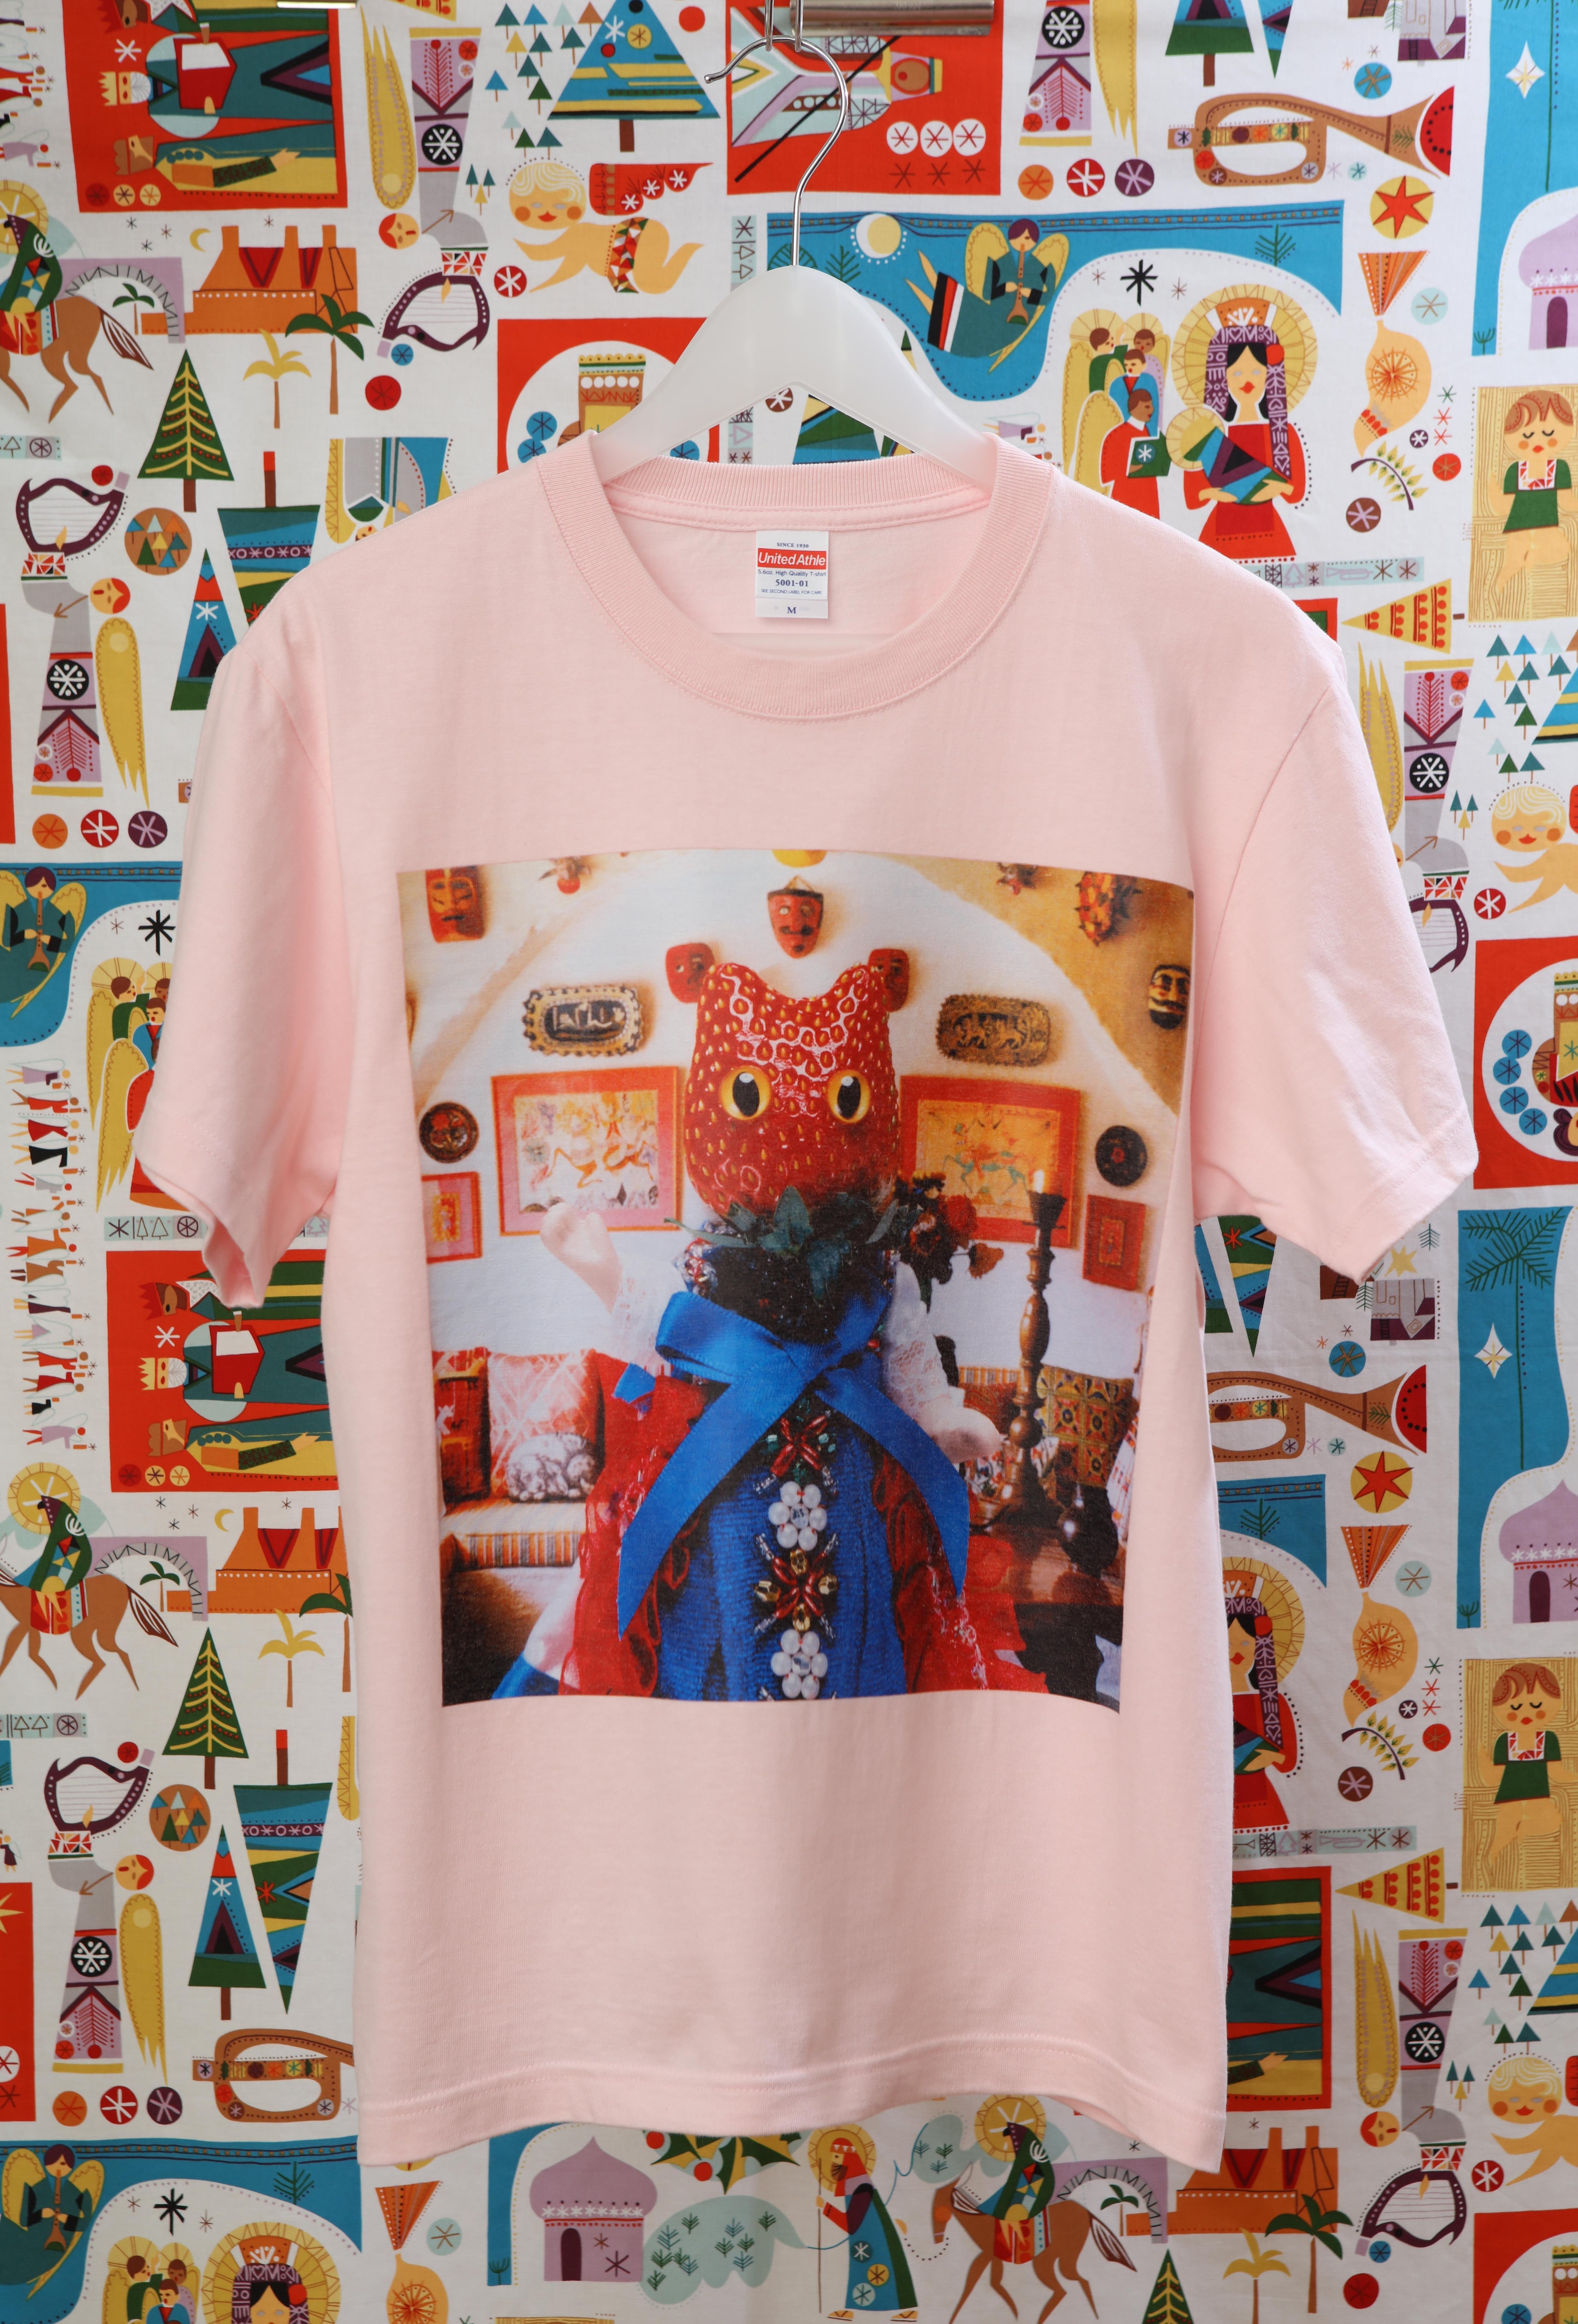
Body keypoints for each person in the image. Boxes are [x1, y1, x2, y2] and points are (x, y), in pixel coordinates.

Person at [1479, 1661, 1577, 1870]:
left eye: (1536, 1706)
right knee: (1502, 1837)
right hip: (1510, 1799)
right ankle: (1490, 1867)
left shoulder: (1549, 1739)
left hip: (1539, 1797)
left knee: (1553, 1820)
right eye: (1515, 1707)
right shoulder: (1504, 1741)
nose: (1526, 1714)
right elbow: (1495, 1777)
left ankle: (1524, 1830)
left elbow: (1557, 1774)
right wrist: (1482, 1760)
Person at [822, 2131, 917, 2318]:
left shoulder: (861, 2188)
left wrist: (826, 2209)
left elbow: (851, 2224)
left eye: (837, 2158)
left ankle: (908, 2311)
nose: (834, 2163)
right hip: (866, 2240)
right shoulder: (856, 2185)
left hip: (873, 2240)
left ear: (848, 2160)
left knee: (882, 2273)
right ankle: (853, 2310)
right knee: (863, 2272)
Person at [1226, 1581, 1296, 1830]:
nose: (1237, 1652)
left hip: (1264, 1809)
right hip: (1214, 1804)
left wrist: (1271, 1755)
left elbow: (1288, 1762)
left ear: (1259, 1648)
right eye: (1228, 1644)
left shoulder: (1273, 1702)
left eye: (1246, 1643)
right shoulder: (1203, 1707)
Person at [1495, 390, 1576, 585]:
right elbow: (1505, 506)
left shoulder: (1560, 468)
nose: (1537, 442)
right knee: (1512, 564)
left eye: (1548, 434)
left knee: (1563, 549)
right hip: (1518, 528)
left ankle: (1534, 558)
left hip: (1547, 527)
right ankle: (1500, 586)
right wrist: (1493, 491)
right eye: (1528, 435)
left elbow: (1567, 503)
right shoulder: (1515, 470)